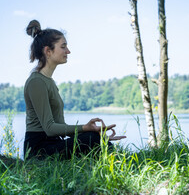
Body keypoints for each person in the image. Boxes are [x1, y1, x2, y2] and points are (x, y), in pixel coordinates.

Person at [23, 20, 126, 159]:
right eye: (63, 47)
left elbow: (59, 126)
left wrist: (93, 131)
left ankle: (117, 161)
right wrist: (86, 129)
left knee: (93, 137)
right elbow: (50, 128)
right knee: (91, 138)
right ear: (48, 51)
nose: (68, 51)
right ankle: (120, 162)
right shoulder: (36, 82)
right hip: (39, 150)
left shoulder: (48, 81)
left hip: (53, 143)